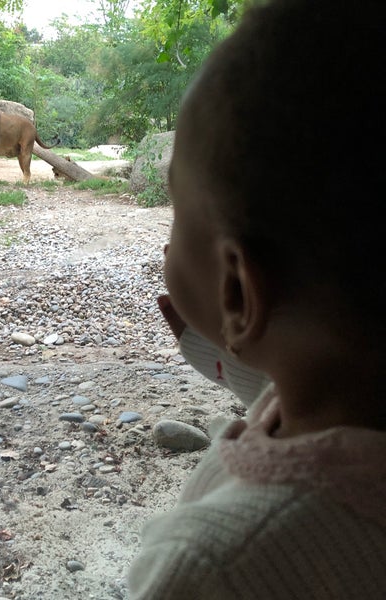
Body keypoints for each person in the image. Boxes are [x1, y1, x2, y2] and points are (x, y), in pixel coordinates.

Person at [127, 0, 386, 598]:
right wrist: (235, 361)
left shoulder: (216, 567)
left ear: (239, 291)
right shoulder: (349, 390)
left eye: (176, 218)